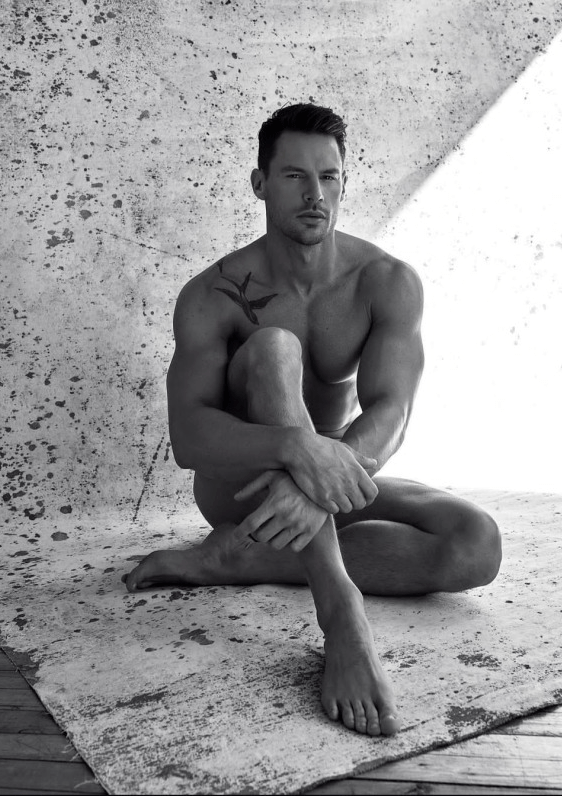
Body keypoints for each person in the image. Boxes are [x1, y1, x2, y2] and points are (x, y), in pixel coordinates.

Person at [123, 103, 502, 738]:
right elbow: (189, 439)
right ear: (260, 184)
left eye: (329, 177)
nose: (315, 195)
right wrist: (296, 449)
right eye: (295, 176)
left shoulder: (384, 282)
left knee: (476, 542)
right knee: (274, 348)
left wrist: (317, 472)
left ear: (344, 182)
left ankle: (239, 561)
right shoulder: (212, 295)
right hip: (243, 487)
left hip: (330, 475)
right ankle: (341, 613)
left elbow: (392, 410)